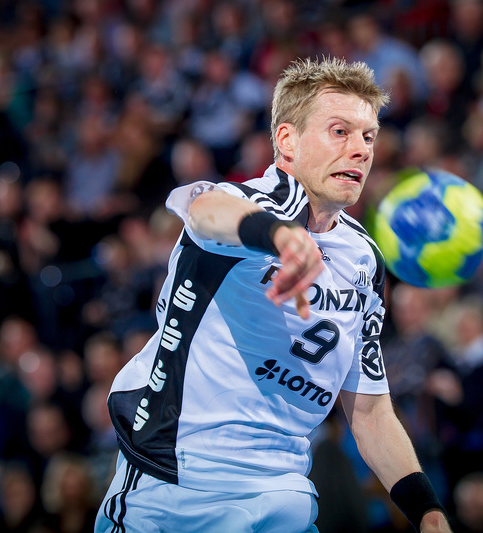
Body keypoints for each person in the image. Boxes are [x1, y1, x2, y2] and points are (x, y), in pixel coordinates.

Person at [94, 57, 451, 533]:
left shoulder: (364, 258)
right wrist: (280, 237)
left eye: (369, 137)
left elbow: (368, 410)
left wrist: (427, 512)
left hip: (284, 493)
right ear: (287, 140)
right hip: (177, 490)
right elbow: (205, 211)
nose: (360, 150)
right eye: (340, 131)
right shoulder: (249, 206)